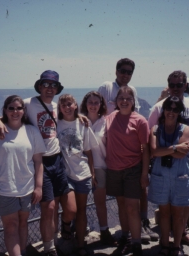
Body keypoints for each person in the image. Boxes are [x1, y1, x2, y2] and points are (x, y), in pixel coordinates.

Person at [0, 70, 77, 256]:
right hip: (40, 162)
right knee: (49, 207)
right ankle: (50, 248)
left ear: (57, 88)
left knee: (70, 208)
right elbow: (10, 111)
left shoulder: (56, 106)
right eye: (45, 84)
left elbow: (71, 117)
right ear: (39, 86)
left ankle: (63, 231)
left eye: (53, 85)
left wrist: (83, 116)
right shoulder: (29, 103)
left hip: (58, 159)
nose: (49, 88)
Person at [98, 58, 158, 243]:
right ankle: (130, 233)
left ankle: (141, 225)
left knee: (139, 194)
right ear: (116, 71)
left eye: (129, 72)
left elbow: (138, 122)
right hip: (113, 155)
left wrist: (143, 162)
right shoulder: (106, 87)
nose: (125, 74)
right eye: (122, 70)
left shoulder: (133, 93)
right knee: (122, 201)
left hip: (132, 158)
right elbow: (95, 109)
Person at [148, 70, 189, 249]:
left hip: (188, 161)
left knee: (183, 204)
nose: (175, 88)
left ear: (185, 86)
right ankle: (168, 241)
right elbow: (150, 135)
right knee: (167, 206)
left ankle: (182, 235)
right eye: (172, 85)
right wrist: (173, 149)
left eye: (179, 85)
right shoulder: (159, 107)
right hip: (163, 166)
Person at [0, 95, 45, 256]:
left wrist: (38, 187)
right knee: (10, 226)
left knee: (23, 223)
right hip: (4, 189)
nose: (15, 111)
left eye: (19, 108)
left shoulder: (31, 131)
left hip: (27, 188)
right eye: (11, 108)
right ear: (5, 110)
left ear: (24, 111)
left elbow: (38, 161)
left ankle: (22, 252)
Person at [105, 86, 150, 256]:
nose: (124, 101)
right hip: (114, 169)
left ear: (133, 102)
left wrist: (144, 174)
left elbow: (146, 149)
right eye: (121, 98)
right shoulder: (109, 119)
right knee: (122, 206)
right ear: (116, 101)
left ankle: (136, 243)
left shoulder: (140, 121)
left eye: (128, 98)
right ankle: (125, 237)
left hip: (133, 169)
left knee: (132, 207)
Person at [148, 96, 189, 256]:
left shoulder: (186, 129)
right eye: (169, 108)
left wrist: (165, 149)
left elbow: (183, 154)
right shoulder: (155, 129)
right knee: (164, 213)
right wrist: (176, 147)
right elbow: (154, 151)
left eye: (175, 109)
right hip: (161, 176)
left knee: (178, 214)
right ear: (164, 110)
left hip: (179, 176)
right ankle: (165, 244)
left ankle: (176, 246)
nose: (171, 112)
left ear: (179, 112)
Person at [56, 94, 97, 256]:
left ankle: (80, 245)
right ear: (59, 108)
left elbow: (88, 151)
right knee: (71, 210)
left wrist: (92, 173)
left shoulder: (83, 124)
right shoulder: (56, 124)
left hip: (83, 173)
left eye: (69, 104)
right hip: (65, 175)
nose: (66, 107)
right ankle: (65, 224)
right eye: (63, 105)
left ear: (75, 105)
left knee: (81, 211)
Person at [79, 91, 116, 246]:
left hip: (100, 166)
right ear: (85, 104)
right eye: (90, 102)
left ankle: (104, 230)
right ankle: (77, 232)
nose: (93, 105)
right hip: (80, 167)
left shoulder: (106, 122)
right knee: (80, 204)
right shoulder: (78, 121)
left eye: (96, 102)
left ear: (101, 105)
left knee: (99, 201)